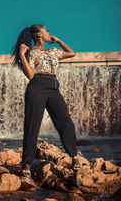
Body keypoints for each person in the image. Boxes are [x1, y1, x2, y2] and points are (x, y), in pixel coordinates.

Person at [11, 24, 80, 176]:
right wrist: (22, 54)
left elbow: (72, 53)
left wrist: (59, 41)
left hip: (53, 88)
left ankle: (74, 157)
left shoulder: (53, 51)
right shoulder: (31, 52)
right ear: (39, 34)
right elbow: (30, 75)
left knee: (66, 122)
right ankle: (27, 163)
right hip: (37, 87)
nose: (50, 33)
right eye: (47, 31)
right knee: (32, 125)